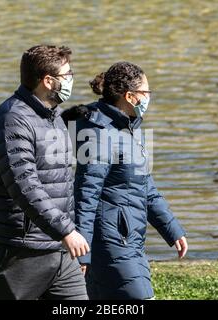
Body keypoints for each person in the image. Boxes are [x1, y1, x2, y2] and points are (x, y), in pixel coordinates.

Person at [0, 45, 89, 300]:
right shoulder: (12, 120)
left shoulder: (53, 115)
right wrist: (66, 231)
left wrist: (68, 234)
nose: (72, 79)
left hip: (59, 250)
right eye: (67, 75)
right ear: (48, 81)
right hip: (20, 249)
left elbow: (58, 181)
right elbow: (25, 186)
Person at [72, 61, 188, 300]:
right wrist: (83, 252)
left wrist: (171, 228)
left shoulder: (130, 130)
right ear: (131, 96)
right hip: (111, 239)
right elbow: (86, 194)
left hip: (130, 237)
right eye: (147, 93)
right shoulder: (100, 134)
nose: (149, 98)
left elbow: (145, 185)